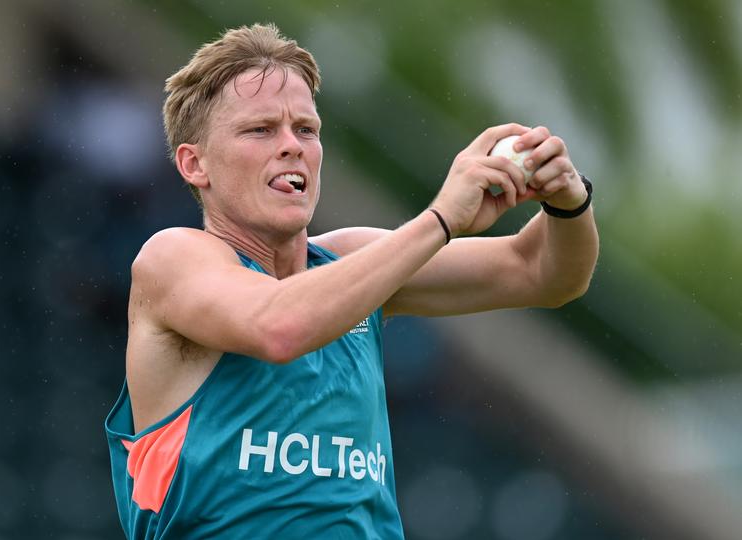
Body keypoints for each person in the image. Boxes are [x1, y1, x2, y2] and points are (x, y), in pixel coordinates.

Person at [105, 22, 599, 539]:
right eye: (260, 130)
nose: (292, 146)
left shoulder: (351, 260)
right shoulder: (174, 258)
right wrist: (440, 220)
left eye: (306, 129)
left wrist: (569, 199)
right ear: (194, 164)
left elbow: (543, 272)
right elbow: (278, 327)